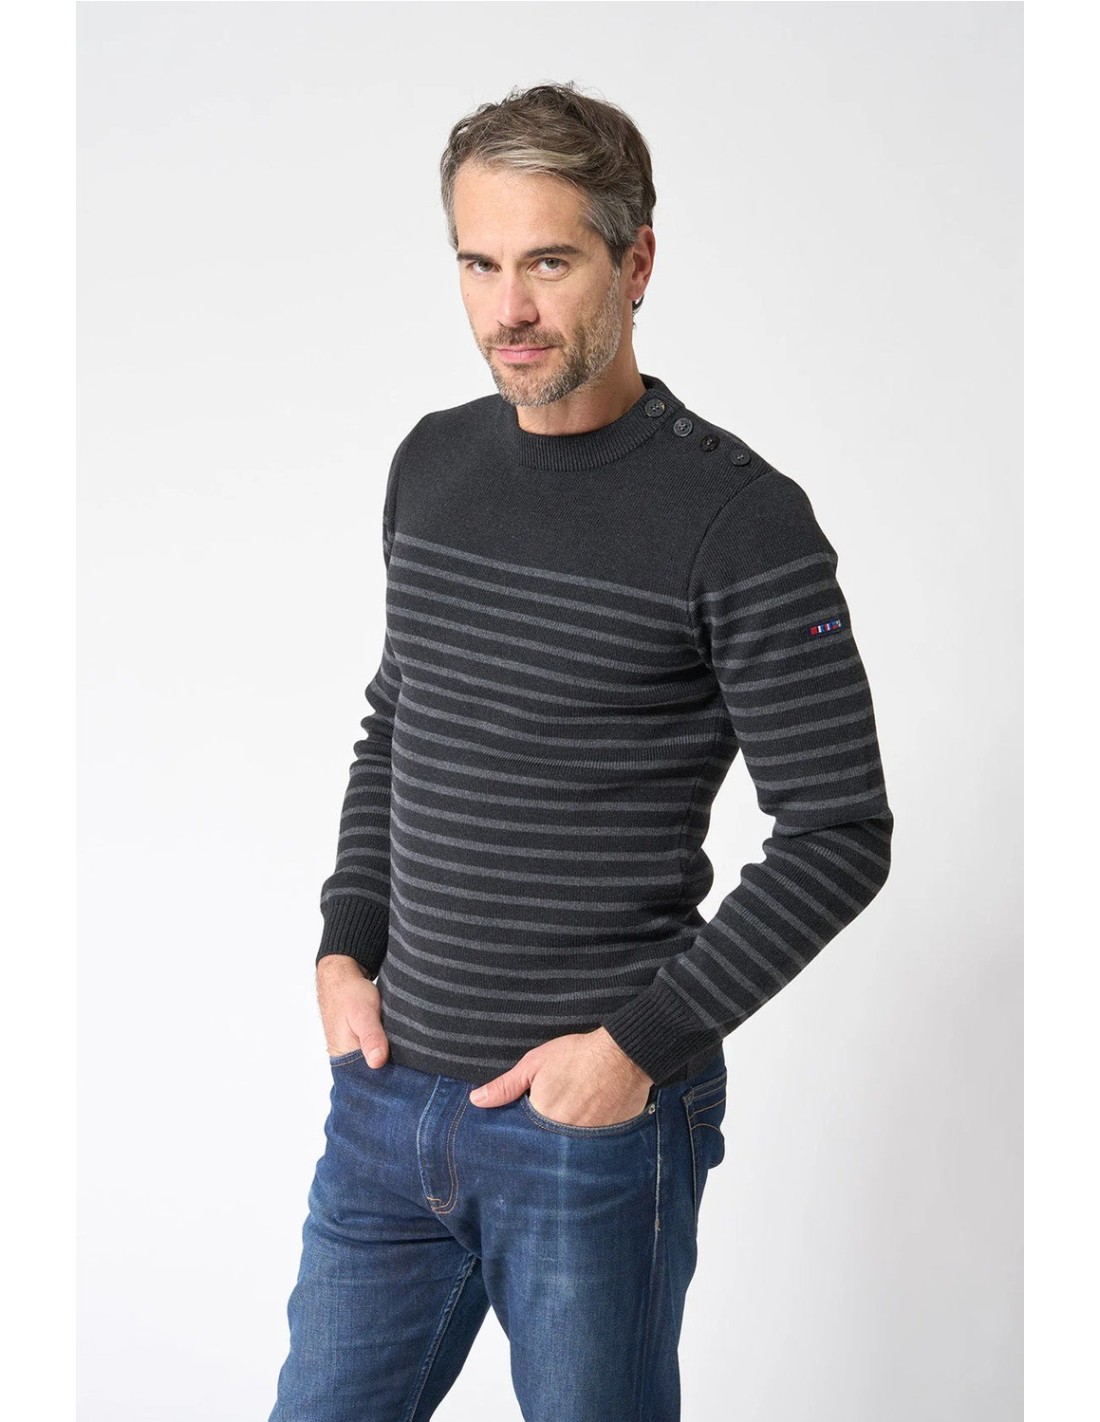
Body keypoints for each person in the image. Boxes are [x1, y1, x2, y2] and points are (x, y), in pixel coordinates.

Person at [268, 81, 893, 1422]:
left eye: (548, 262)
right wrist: (343, 944)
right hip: (386, 1105)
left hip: (588, 1131)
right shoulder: (432, 466)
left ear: (636, 261)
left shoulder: (740, 520)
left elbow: (840, 832)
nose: (509, 309)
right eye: (478, 264)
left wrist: (633, 1049)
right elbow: (399, 720)